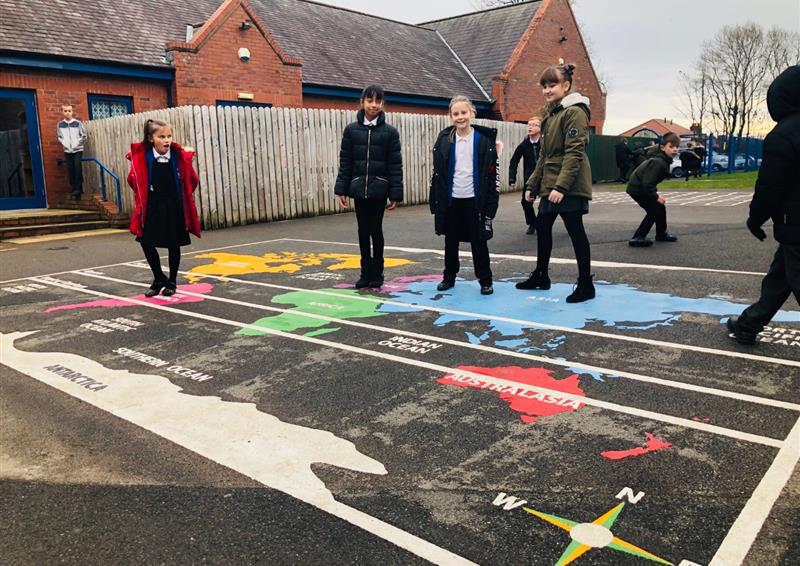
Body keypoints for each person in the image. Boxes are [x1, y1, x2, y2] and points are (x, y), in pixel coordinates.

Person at [727, 65, 800, 345]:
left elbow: (771, 186)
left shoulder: (784, 134)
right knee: (779, 277)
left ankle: (749, 323)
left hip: (796, 224)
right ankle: (749, 324)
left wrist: (755, 218)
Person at [517, 63, 595, 303]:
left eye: (552, 85)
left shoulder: (575, 112)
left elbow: (575, 153)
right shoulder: (551, 113)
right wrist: (532, 185)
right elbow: (543, 155)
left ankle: (585, 285)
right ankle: (541, 276)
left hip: (569, 185)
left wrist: (561, 187)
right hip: (550, 183)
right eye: (544, 86)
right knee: (542, 228)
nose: (547, 90)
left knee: (575, 232)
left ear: (566, 86)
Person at [334, 84, 403, 288]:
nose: (374, 105)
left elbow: (395, 164)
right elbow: (345, 161)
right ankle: (365, 274)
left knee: (376, 230)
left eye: (378, 101)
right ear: (363, 101)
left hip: (379, 190)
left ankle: (377, 274)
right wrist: (342, 189)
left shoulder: (390, 133)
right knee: (363, 231)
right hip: (358, 190)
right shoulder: (351, 130)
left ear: (382, 104)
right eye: (370, 100)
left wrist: (395, 193)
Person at [430, 95, 500, 295]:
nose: (460, 117)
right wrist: (435, 200)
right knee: (450, 242)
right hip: (452, 200)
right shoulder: (444, 140)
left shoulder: (483, 141)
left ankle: (485, 280)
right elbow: (438, 175)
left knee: (479, 241)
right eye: (455, 113)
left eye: (463, 112)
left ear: (472, 113)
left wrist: (490, 206)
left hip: (474, 200)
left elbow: (492, 175)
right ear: (450, 116)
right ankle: (449, 277)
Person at [127, 119, 200, 297]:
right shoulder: (143, 157)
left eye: (169, 136)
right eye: (161, 136)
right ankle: (159, 277)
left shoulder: (178, 156)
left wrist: (184, 196)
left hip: (174, 204)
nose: (167, 140)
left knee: (173, 244)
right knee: (145, 241)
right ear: (151, 138)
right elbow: (132, 180)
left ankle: (172, 281)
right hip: (153, 205)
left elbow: (192, 180)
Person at [626, 132, 681, 247]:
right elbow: (647, 183)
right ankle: (637, 237)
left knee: (659, 207)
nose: (675, 150)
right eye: (671, 147)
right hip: (637, 189)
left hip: (640, 187)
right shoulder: (659, 162)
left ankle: (661, 234)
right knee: (654, 211)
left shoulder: (663, 160)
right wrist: (656, 196)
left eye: (677, 147)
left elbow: (649, 182)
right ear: (662, 147)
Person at [509, 117, 542, 234]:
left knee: (547, 204)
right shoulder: (524, 145)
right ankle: (533, 223)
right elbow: (514, 161)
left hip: (545, 178)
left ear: (540, 128)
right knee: (526, 202)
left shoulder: (545, 144)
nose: (530, 127)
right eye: (529, 125)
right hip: (530, 179)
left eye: (534, 125)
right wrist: (512, 177)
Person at [56, 104, 87, 198]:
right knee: (70, 169)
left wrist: (77, 143)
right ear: (62, 112)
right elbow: (59, 137)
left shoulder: (78, 123)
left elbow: (84, 136)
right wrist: (64, 144)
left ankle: (79, 188)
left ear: (72, 112)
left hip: (77, 149)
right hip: (67, 150)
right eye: (65, 111)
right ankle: (73, 187)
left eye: (69, 111)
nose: (67, 113)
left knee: (77, 167)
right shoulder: (60, 125)